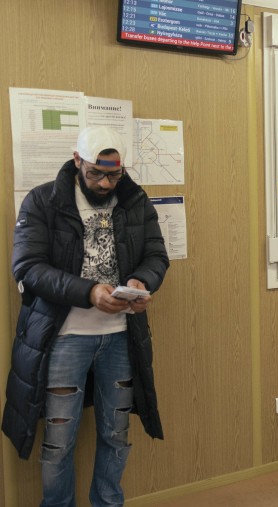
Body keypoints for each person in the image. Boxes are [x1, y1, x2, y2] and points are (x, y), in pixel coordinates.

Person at [2, 126, 170, 506]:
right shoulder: (44, 201)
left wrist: (142, 281)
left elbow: (156, 256)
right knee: (59, 440)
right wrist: (89, 291)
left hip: (121, 337)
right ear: (77, 160)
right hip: (63, 338)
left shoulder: (135, 201)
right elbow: (28, 267)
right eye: (96, 172)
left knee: (117, 434)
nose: (106, 182)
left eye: (114, 174)